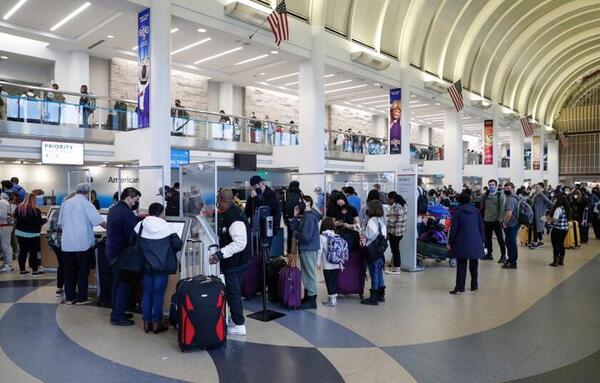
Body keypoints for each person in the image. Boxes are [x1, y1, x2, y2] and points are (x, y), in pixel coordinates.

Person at [135, 203, 183, 334]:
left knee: (146, 293)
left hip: (145, 266)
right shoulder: (167, 227)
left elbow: (133, 242)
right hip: (161, 267)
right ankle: (157, 323)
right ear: (161, 213)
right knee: (158, 294)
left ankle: (146, 323)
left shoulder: (141, 225)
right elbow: (178, 245)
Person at [210, 188, 252, 336]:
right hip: (237, 261)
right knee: (232, 291)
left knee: (233, 292)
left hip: (236, 263)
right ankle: (235, 319)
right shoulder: (231, 213)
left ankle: (239, 324)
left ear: (221, 200)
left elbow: (240, 243)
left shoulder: (233, 217)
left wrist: (220, 254)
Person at [59, 183, 106, 305]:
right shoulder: (86, 204)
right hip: (82, 244)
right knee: (82, 271)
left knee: (69, 272)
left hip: (67, 244)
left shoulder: (66, 203)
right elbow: (99, 221)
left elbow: (60, 223)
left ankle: (69, 297)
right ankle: (81, 298)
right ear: (88, 193)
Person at [106, 187, 141, 325]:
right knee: (123, 284)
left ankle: (116, 310)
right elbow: (132, 236)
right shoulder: (126, 213)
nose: (136, 203)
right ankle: (118, 316)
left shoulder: (114, 209)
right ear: (129, 197)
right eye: (136, 200)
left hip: (111, 252)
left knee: (116, 283)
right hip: (121, 254)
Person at [448, 192, 485, 294]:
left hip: (462, 242)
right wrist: (482, 241)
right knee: (474, 264)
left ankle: (460, 287)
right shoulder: (476, 211)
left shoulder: (457, 211)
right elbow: (481, 227)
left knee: (461, 265)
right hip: (476, 241)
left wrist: (450, 242)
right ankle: (474, 285)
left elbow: (454, 229)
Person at [290, 195, 322, 309]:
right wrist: (295, 216)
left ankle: (312, 298)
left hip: (308, 248)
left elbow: (306, 236)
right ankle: (309, 296)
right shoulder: (307, 216)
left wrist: (297, 235)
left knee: (309, 273)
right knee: (306, 273)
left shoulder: (309, 217)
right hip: (307, 248)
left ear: (308, 203)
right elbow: (294, 227)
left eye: (301, 202)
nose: (299, 204)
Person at [361, 200, 387, 305]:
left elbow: (369, 235)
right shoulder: (382, 220)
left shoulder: (372, 220)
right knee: (379, 272)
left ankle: (374, 297)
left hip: (372, 250)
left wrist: (361, 230)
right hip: (380, 249)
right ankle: (381, 294)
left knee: (374, 273)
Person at [14, 193, 46, 275]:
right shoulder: (35, 210)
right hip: (32, 234)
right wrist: (45, 220)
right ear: (33, 200)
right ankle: (35, 270)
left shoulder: (19, 208)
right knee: (33, 252)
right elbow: (38, 222)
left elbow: (15, 218)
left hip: (20, 233)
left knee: (22, 251)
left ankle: (22, 270)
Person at [475, 179, 506, 262]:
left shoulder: (500, 195)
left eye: (492, 185)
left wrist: (500, 219)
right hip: (487, 220)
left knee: (500, 238)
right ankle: (489, 254)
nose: (491, 186)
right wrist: (473, 191)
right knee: (487, 238)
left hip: (496, 220)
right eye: (490, 185)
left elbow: (502, 208)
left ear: (496, 185)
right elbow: (477, 199)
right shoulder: (487, 193)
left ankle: (503, 255)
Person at [317, 217, 342, 307]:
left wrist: (318, 263)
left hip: (327, 264)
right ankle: (332, 297)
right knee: (334, 281)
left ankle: (332, 300)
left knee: (328, 281)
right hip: (336, 263)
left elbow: (320, 251)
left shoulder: (321, 237)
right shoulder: (336, 235)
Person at [386, 191, 407, 274]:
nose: (388, 201)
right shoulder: (403, 205)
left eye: (389, 199)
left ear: (392, 199)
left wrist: (386, 221)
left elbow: (391, 222)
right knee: (396, 249)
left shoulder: (395, 207)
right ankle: (395, 266)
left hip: (394, 232)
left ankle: (397, 268)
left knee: (395, 250)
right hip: (401, 231)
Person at [549, 193, 570, 267]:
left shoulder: (558, 209)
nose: (554, 200)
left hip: (557, 229)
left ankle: (555, 261)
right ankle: (561, 260)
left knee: (556, 245)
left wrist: (548, 219)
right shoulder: (566, 208)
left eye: (555, 199)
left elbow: (554, 220)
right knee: (561, 244)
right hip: (565, 229)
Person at [501, 182, 519, 269]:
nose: (506, 190)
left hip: (511, 224)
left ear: (513, 188)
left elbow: (508, 213)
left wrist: (504, 223)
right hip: (515, 223)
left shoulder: (510, 199)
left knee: (511, 243)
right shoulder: (516, 197)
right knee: (509, 242)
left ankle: (513, 262)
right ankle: (511, 259)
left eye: (508, 188)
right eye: (505, 189)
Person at [528, 183, 551, 249]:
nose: (532, 189)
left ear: (537, 188)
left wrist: (545, 209)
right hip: (533, 213)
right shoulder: (533, 195)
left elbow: (548, 201)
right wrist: (530, 194)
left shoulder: (541, 194)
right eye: (532, 188)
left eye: (534, 188)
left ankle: (536, 241)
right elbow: (528, 200)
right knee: (535, 227)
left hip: (539, 214)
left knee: (537, 227)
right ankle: (537, 241)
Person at [284, 181, 303, 255]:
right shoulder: (300, 193)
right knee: (298, 234)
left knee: (290, 235)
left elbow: (284, 206)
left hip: (289, 217)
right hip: (298, 217)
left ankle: (290, 251)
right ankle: (298, 251)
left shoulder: (287, 193)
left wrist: (285, 218)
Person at [0, 193, 14, 272]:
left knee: (5, 245)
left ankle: (8, 265)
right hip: (4, 225)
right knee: (4, 245)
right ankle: (6, 263)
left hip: (5, 226)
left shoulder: (2, 202)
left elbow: (3, 215)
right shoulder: (3, 202)